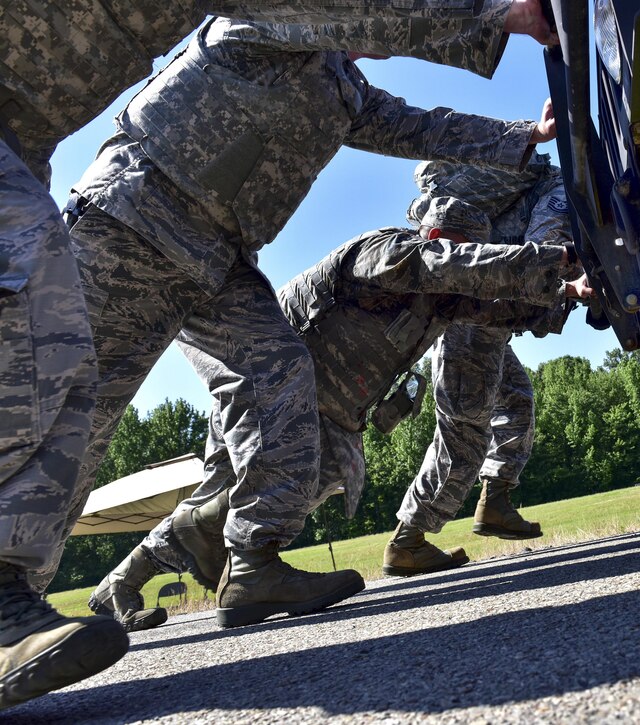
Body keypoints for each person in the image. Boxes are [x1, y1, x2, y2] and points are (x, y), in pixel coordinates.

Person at [0, 0, 555, 710]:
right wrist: (496, 15)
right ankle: (14, 606)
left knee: (283, 378)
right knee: (73, 413)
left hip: (217, 260)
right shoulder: (264, 24)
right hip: (134, 222)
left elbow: (421, 127)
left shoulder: (343, 91)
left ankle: (252, 563)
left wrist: (523, 135)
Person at [89, 196, 592, 629]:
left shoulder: (442, 300)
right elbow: (449, 268)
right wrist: (557, 258)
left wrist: (569, 292)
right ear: (435, 237)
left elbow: (502, 307)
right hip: (271, 392)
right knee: (247, 498)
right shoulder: (386, 253)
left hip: (317, 415)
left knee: (239, 498)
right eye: (460, 251)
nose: (467, 269)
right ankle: (245, 575)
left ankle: (123, 584)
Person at [386, 153, 572, 575]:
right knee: (463, 433)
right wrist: (562, 292)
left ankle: (495, 502)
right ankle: (407, 541)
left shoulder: (500, 185)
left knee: (516, 400)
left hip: (483, 314)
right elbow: (547, 250)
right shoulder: (555, 187)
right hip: (476, 314)